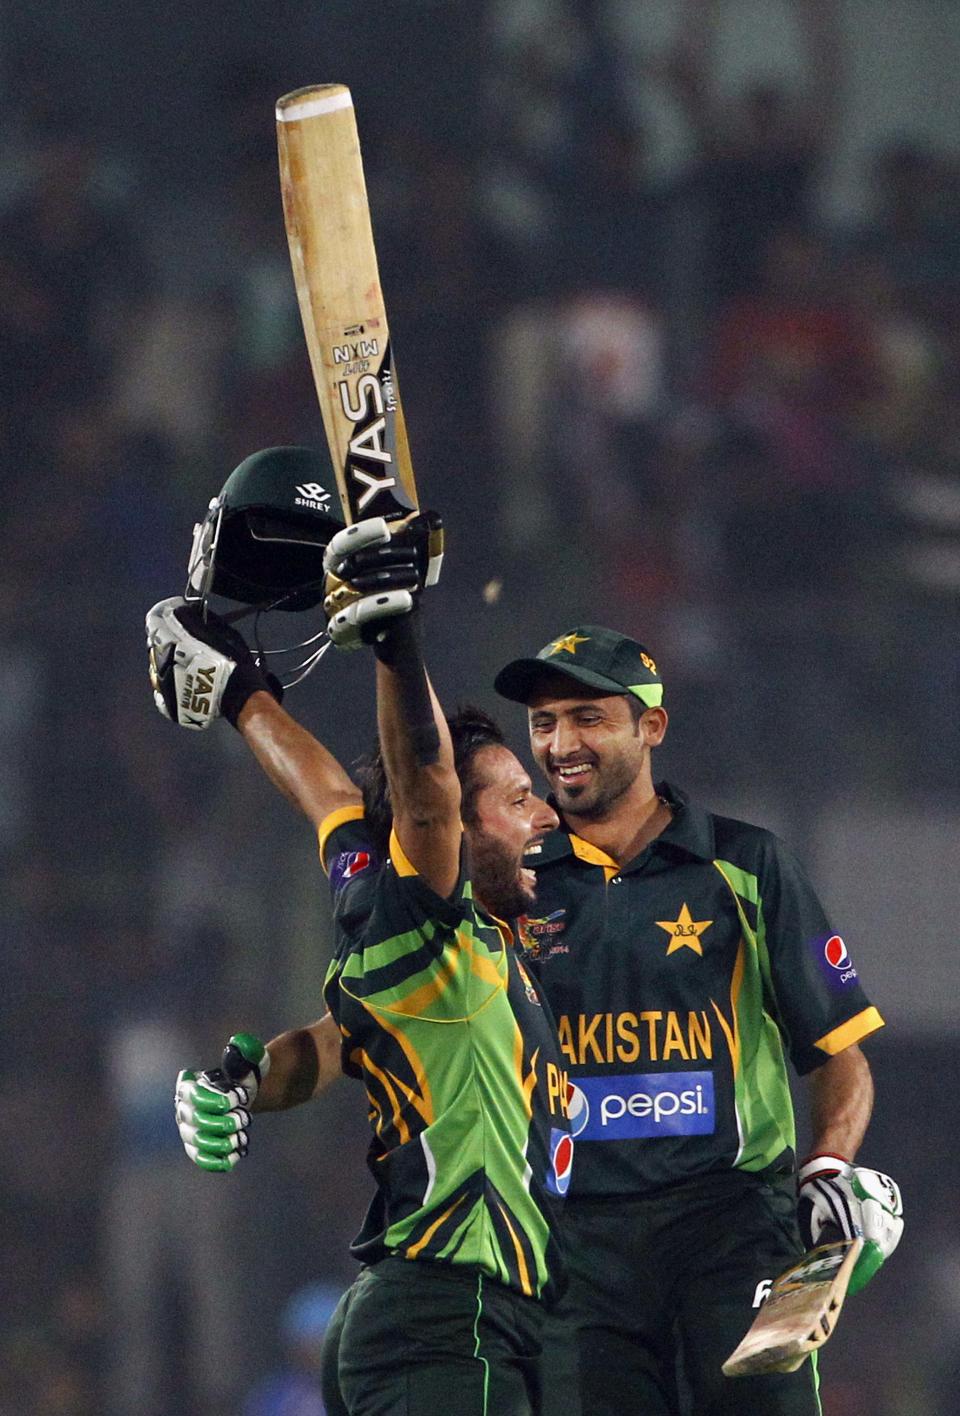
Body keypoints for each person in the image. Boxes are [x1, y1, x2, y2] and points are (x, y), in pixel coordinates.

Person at [146, 501, 572, 1416]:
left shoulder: (411, 922)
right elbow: (421, 782)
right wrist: (395, 632)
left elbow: (330, 796)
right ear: (455, 823)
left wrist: (242, 696)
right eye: (517, 800)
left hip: (440, 1319)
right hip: (448, 1311)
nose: (544, 817)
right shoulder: (436, 920)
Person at [492, 624, 904, 1416]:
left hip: (733, 1225)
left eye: (587, 718)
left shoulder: (745, 866)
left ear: (651, 727)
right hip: (572, 1242)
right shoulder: (510, 881)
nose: (559, 744)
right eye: (543, 722)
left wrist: (826, 1167)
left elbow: (839, 1050)